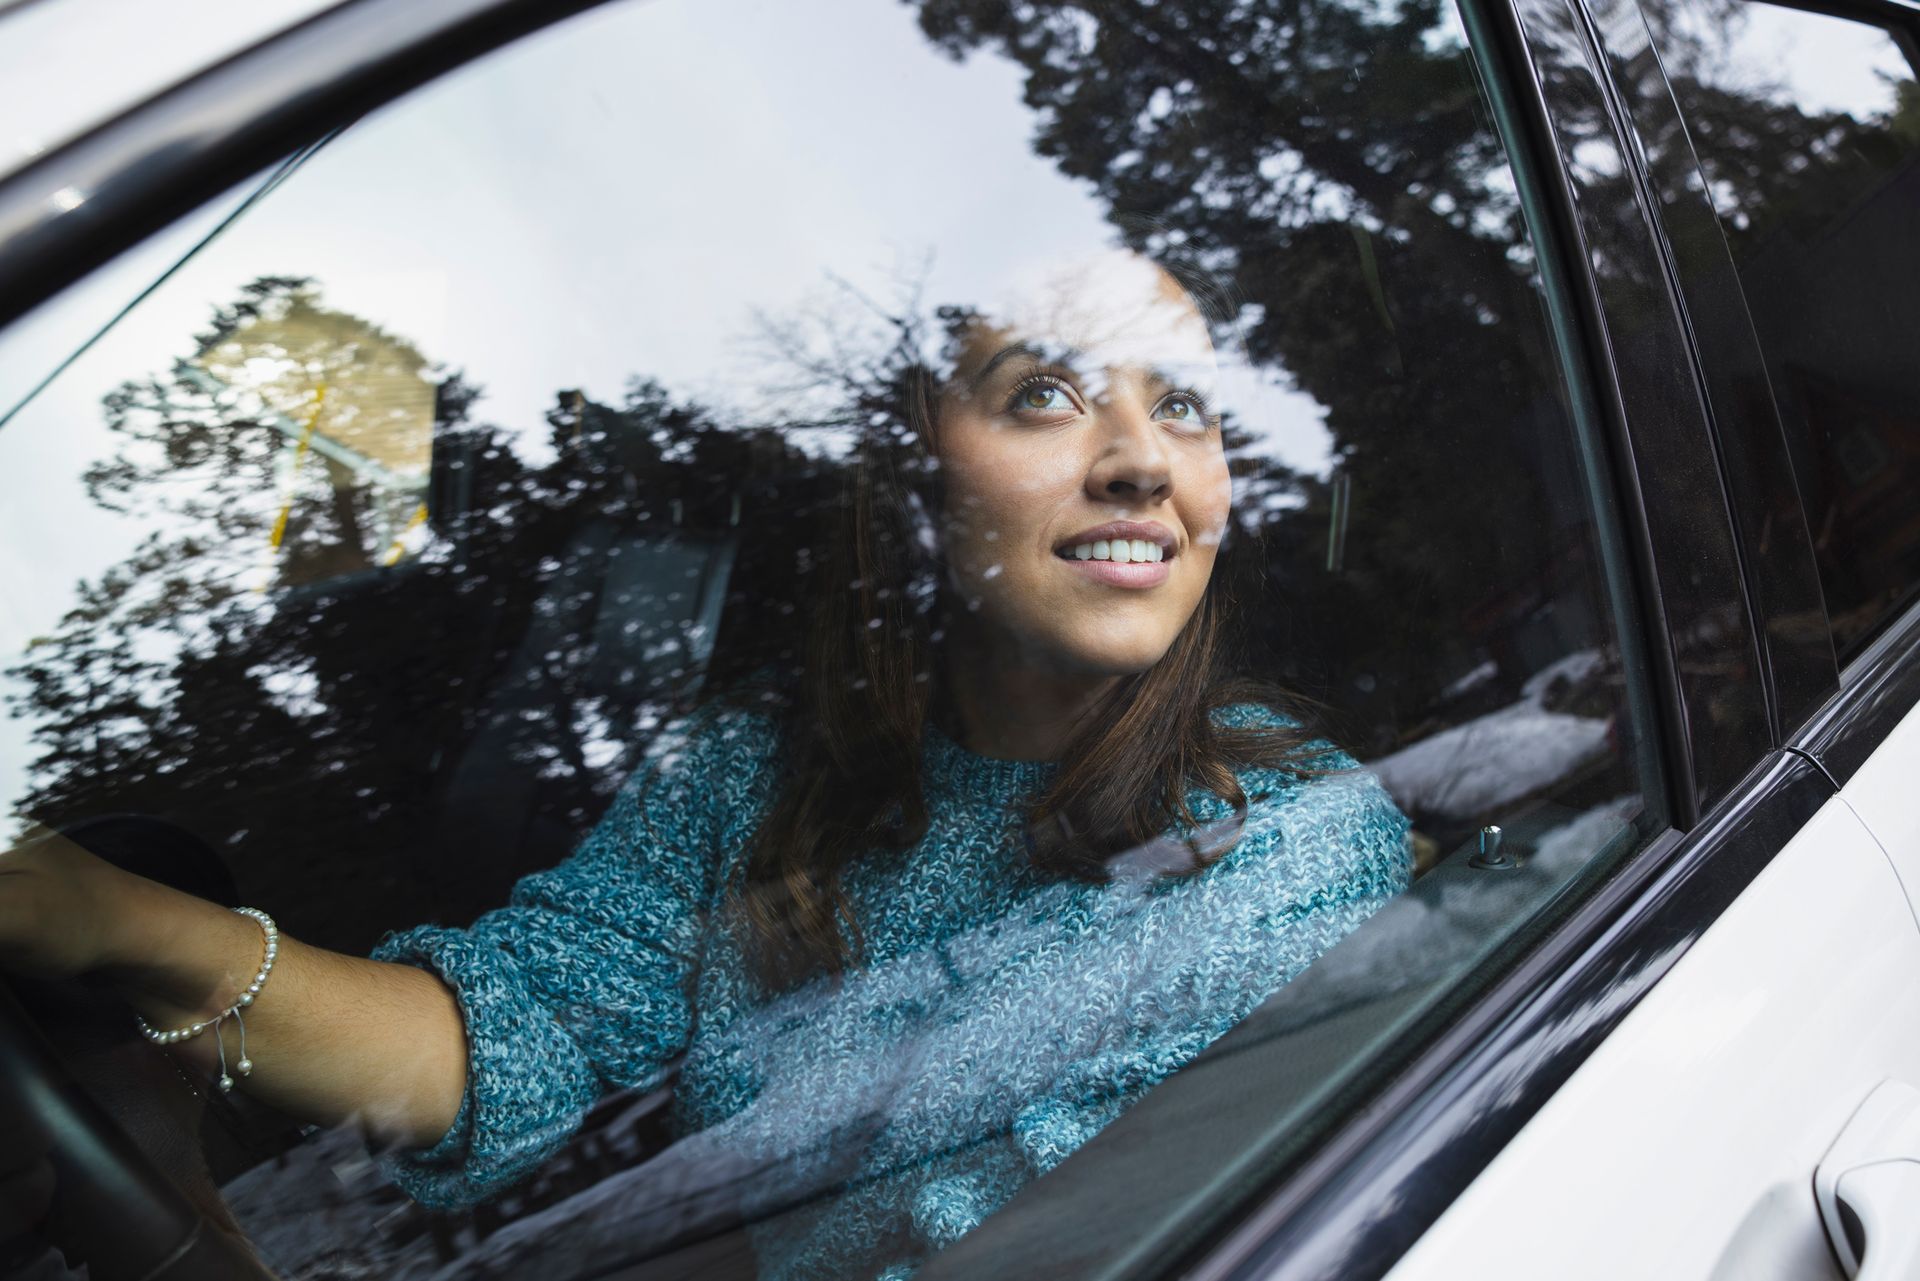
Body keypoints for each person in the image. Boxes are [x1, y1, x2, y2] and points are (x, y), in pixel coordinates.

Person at [0, 250, 1411, 1280]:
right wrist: (131, 931)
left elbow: (974, 1235)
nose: (1140, 462)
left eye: (1187, 407)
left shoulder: (1288, 839)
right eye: (1045, 393)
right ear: (923, 472)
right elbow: (518, 1029)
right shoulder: (763, 775)